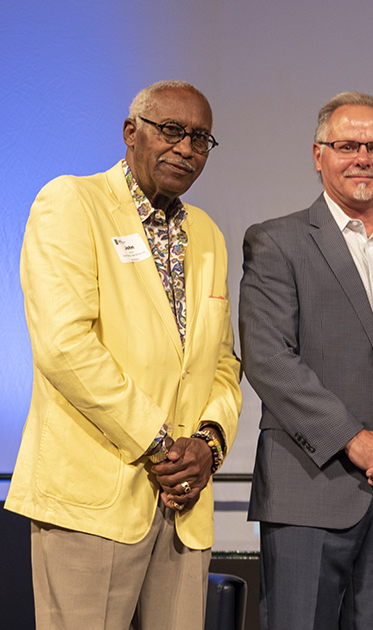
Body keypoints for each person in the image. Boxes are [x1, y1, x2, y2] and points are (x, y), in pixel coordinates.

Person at [7, 80, 241, 629]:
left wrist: (207, 445)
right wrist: (161, 445)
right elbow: (65, 347)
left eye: (201, 138)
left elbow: (223, 364)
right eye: (172, 130)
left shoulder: (206, 233)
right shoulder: (72, 203)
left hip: (183, 503)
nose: (186, 147)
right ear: (130, 133)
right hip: (93, 496)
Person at [239, 91, 373, 630]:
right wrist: (352, 439)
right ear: (318, 155)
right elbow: (269, 360)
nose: (363, 156)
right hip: (308, 494)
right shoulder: (276, 242)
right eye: (347, 145)